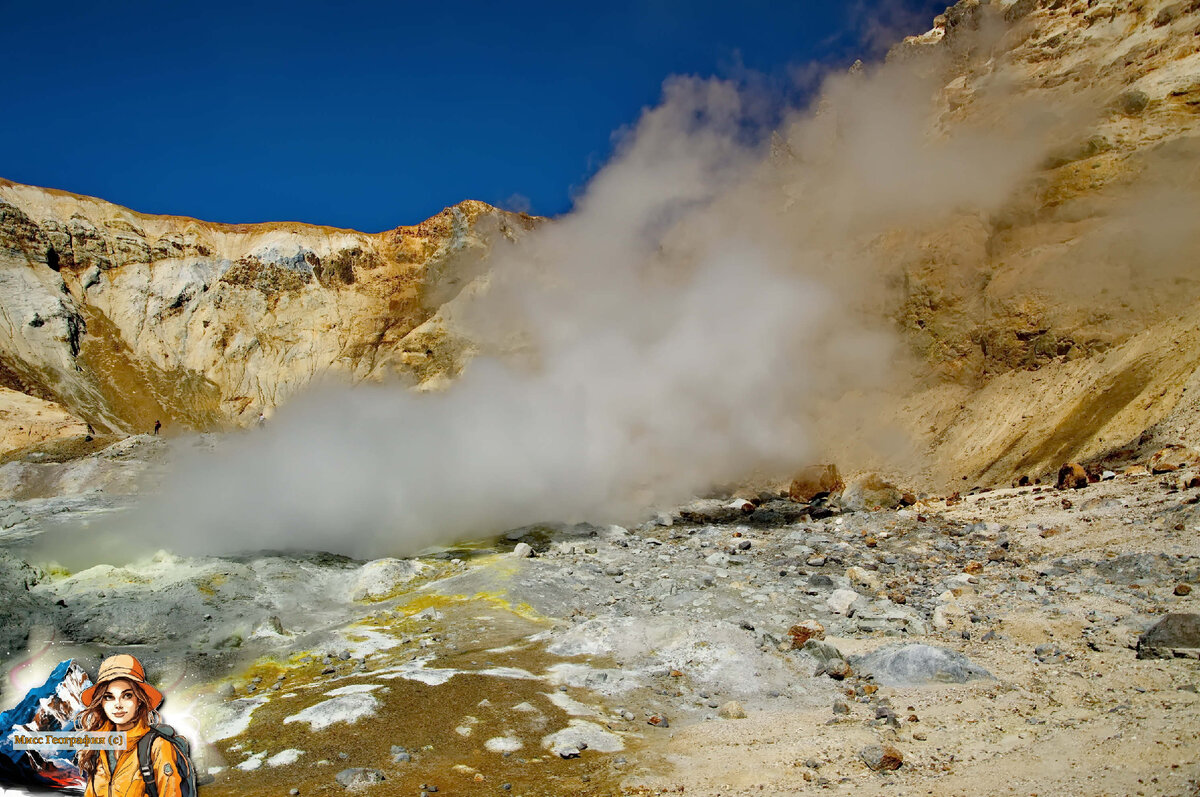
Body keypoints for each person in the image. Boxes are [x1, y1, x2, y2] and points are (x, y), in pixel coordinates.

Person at [75, 655, 182, 797]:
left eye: (127, 695)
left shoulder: (157, 746)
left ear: (139, 700)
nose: (118, 704)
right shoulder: (98, 749)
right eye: (109, 697)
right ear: (101, 703)